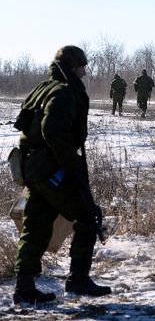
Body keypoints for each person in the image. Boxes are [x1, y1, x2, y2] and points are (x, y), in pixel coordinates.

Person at [12, 45, 111, 304]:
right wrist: (71, 166)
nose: (85, 73)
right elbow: (53, 132)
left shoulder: (42, 88)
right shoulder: (64, 92)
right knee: (88, 216)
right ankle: (78, 280)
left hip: (33, 167)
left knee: (36, 224)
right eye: (82, 67)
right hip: (50, 167)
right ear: (72, 66)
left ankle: (24, 287)